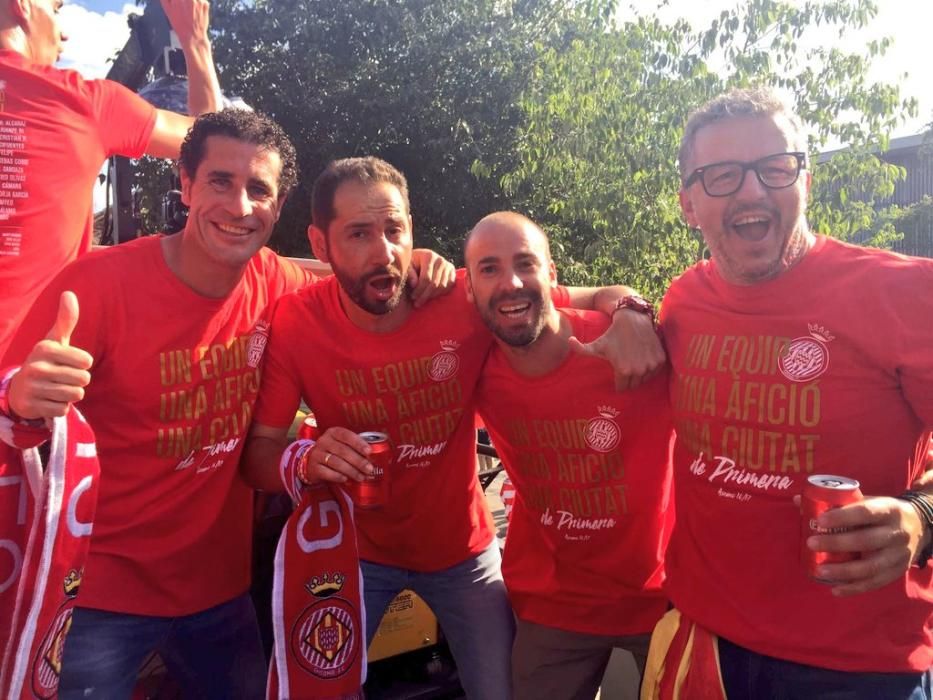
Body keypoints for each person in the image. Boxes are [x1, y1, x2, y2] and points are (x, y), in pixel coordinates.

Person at [0, 111, 452, 698]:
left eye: (259, 189)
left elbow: (357, 269)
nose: (240, 206)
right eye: (220, 181)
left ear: (279, 204)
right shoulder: (93, 287)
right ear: (185, 186)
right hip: (98, 595)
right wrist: (19, 399)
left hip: (218, 596)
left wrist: (410, 259)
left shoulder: (279, 284)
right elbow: (15, 411)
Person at [241, 156, 663, 699]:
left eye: (395, 230)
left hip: (465, 556)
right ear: (321, 246)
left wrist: (630, 309)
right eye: (359, 234)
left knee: (500, 692)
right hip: (357, 554)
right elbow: (258, 456)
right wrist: (305, 459)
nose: (384, 251)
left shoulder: (462, 298)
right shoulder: (296, 321)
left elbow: (563, 298)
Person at [644, 86, 933, 698]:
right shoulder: (682, 303)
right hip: (708, 647)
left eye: (775, 168)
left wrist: (923, 516)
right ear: (688, 204)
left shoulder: (907, 294)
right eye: (721, 175)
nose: (752, 192)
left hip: (858, 669)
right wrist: (621, 308)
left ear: (806, 178)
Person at [463, 212, 674, 700]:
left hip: (664, 598)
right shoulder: (475, 366)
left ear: (553, 277)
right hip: (552, 607)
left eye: (525, 264)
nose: (511, 282)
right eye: (489, 268)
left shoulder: (632, 344)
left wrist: (631, 308)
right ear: (468, 289)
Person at [0, 0, 223, 357]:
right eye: (56, 9)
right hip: (25, 381)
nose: (64, 34)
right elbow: (212, 141)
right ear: (23, 5)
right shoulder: (83, 102)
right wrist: (195, 38)